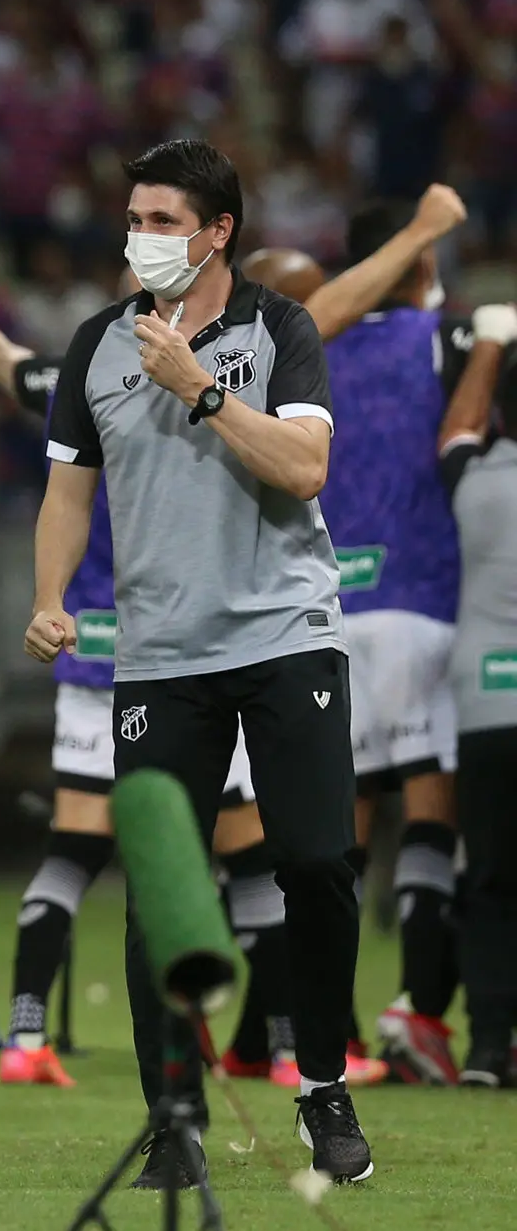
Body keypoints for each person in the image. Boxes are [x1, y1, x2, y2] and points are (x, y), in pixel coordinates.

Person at [31, 140, 371, 1187]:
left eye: (163, 219)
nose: (141, 236)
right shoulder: (95, 343)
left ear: (216, 230)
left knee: (314, 860)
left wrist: (200, 391)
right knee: (162, 891)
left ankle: (318, 1082)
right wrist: (46, 597)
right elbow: (66, 492)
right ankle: (170, 1114)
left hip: (283, 635)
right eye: (132, 215)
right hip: (158, 653)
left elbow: (305, 467)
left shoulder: (278, 328)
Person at [0, 271, 337, 1091]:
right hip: (172, 640)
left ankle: (28, 1032)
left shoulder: (87, 371)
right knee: (247, 856)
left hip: (113, 641)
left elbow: (0, 360)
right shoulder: (163, 365)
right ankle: (282, 1047)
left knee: (80, 844)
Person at [303, 192, 475, 1084]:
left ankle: (325, 1029)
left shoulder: (316, 349)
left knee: (346, 836)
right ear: (416, 265)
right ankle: (418, 1007)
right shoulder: (444, 343)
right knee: (432, 819)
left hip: (335, 609)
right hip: (422, 598)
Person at [436, 299, 517, 1087]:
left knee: (490, 880)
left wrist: (489, 338)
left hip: (488, 707)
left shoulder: (477, 476)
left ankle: (490, 1047)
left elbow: (458, 428)